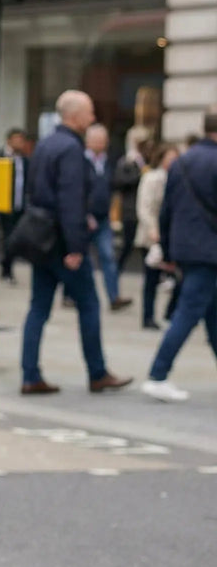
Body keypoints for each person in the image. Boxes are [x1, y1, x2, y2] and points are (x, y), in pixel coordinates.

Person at [19, 90, 133, 395]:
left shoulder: (44, 145)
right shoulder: (70, 148)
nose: (93, 118)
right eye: (89, 112)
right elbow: (70, 200)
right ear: (73, 115)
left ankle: (30, 374)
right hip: (62, 240)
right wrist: (76, 247)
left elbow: (34, 190)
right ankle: (97, 373)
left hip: (41, 239)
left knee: (38, 308)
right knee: (90, 304)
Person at [141, 109, 217, 402]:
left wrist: (170, 251)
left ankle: (158, 374)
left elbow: (167, 210)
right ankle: (158, 374)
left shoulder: (182, 161)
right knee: (187, 312)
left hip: (187, 248)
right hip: (209, 250)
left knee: (212, 313)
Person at [84, 123, 132, 311]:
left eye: (103, 140)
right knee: (79, 257)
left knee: (108, 256)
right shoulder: (80, 160)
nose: (100, 144)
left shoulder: (110, 161)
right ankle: (69, 294)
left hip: (103, 218)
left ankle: (114, 296)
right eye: (96, 140)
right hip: (83, 218)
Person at [134, 142, 179, 330]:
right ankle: (148, 316)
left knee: (179, 277)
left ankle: (171, 313)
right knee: (151, 278)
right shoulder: (152, 178)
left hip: (172, 236)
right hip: (151, 236)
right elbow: (144, 208)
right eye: (170, 158)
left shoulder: (178, 179)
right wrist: (153, 230)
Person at [112, 125, 150, 275]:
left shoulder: (145, 159)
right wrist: (140, 174)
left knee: (145, 248)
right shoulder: (127, 161)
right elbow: (119, 182)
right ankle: (115, 273)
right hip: (131, 210)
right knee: (127, 245)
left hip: (143, 208)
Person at [0, 127, 29, 284]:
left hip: (20, 205)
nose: (19, 143)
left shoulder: (24, 160)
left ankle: (6, 265)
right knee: (9, 237)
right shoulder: (0, 156)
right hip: (4, 205)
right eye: (16, 139)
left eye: (21, 140)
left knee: (15, 239)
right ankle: (7, 269)